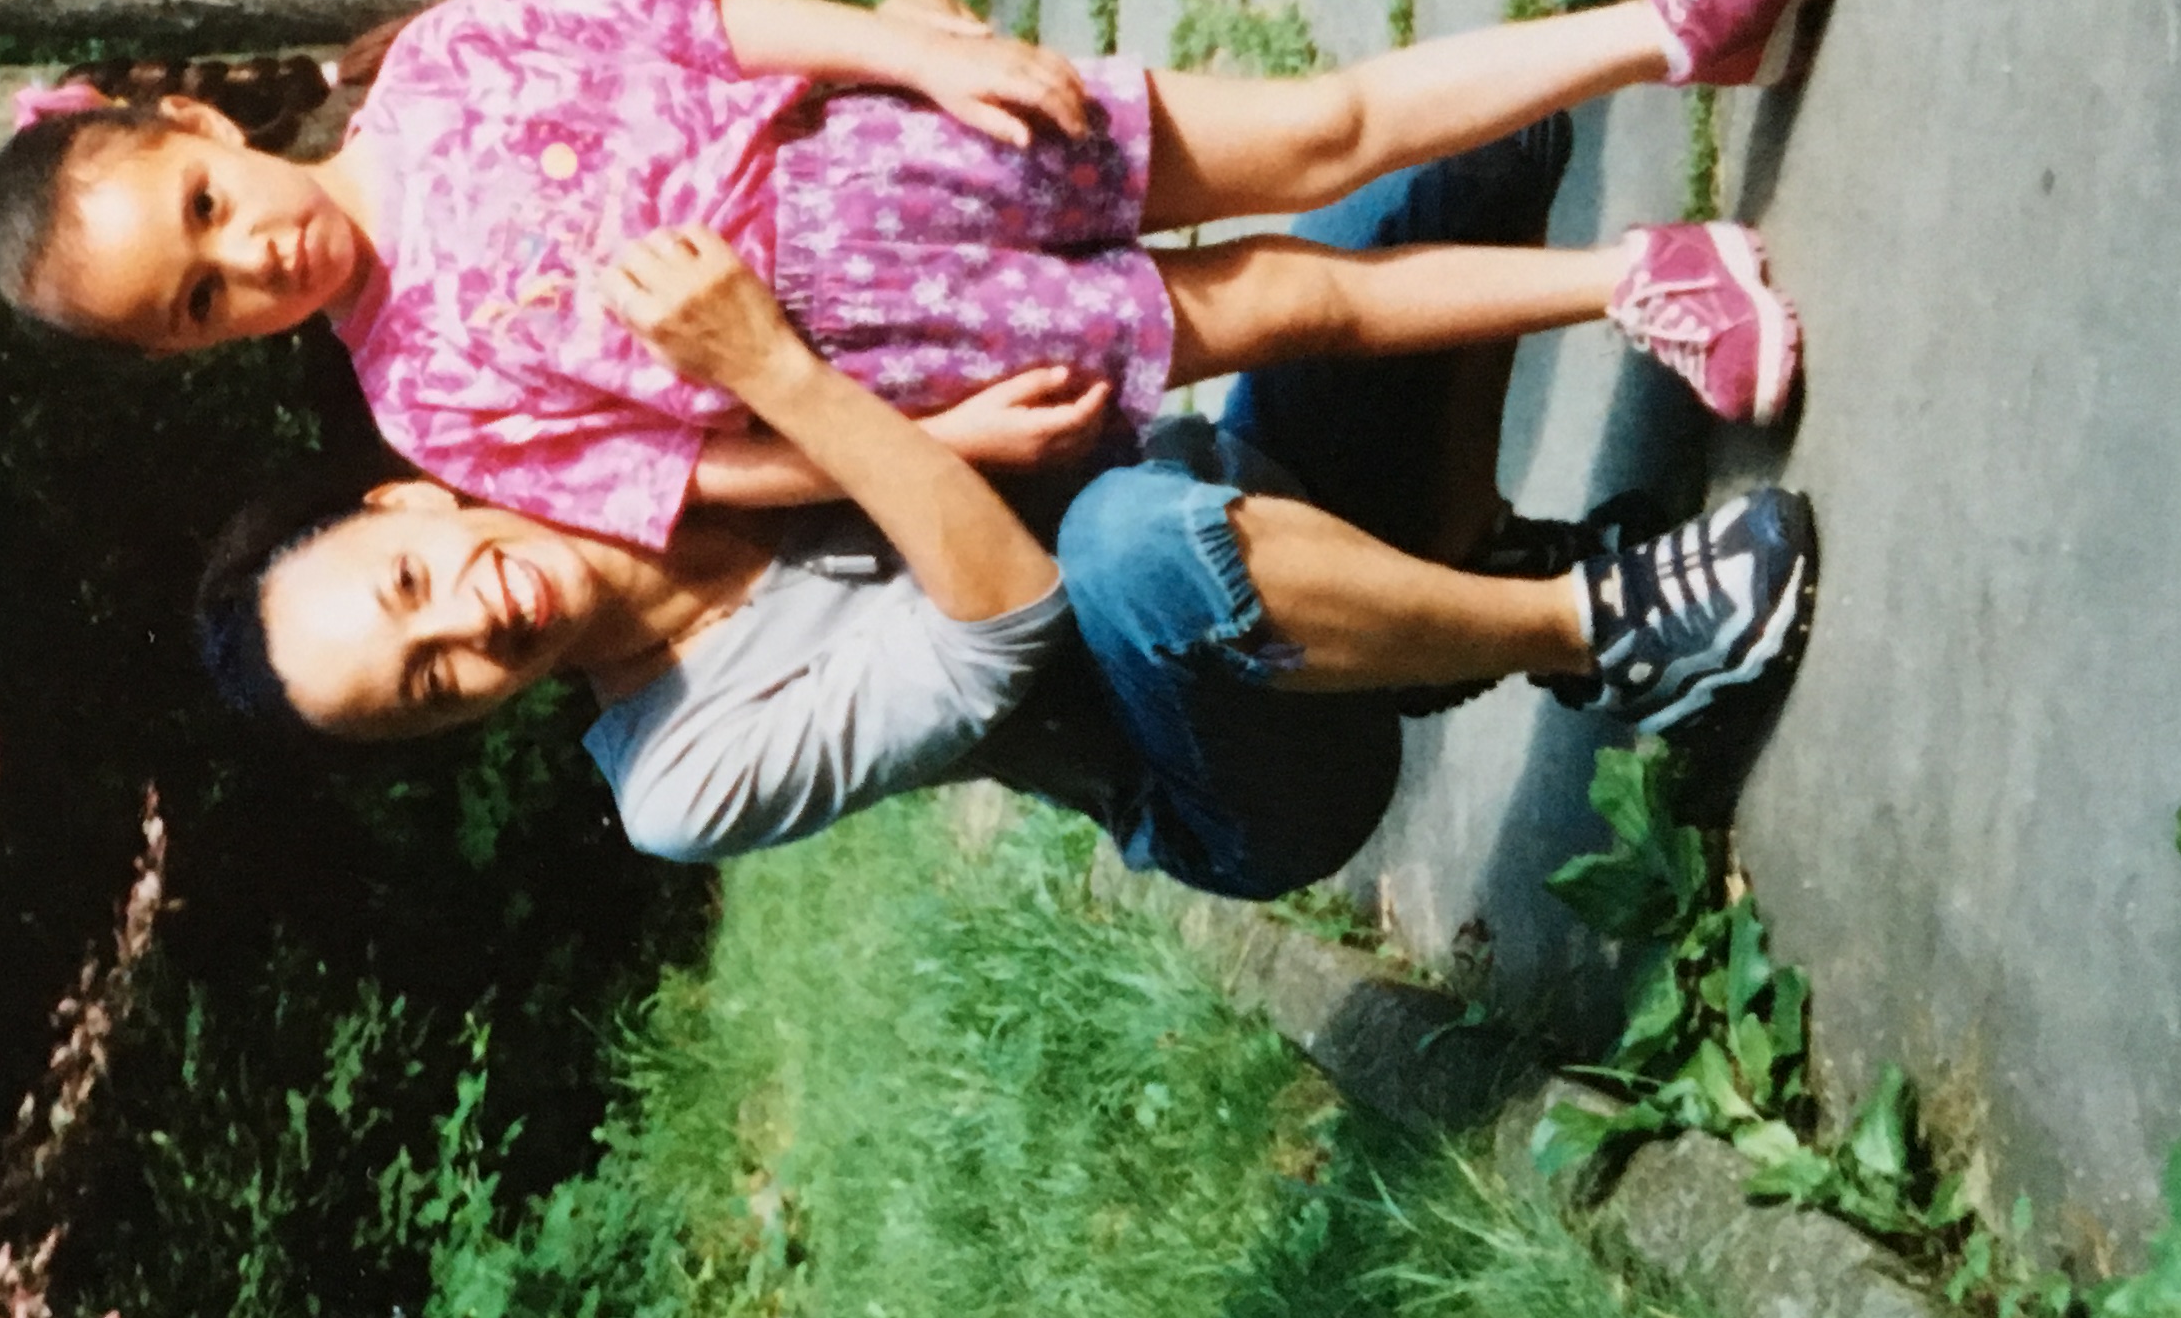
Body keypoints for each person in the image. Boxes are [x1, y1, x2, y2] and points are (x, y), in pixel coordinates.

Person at [0, 0, 1845, 554]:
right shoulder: (426, 406)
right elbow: (697, 471)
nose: (251, 258)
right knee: (1295, 306)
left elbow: (707, 20)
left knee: (1318, 130)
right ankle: (1640, 280)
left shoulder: (441, 65)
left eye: (204, 209)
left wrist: (916, 51)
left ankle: (1670, 29)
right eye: (202, 302)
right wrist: (932, 446)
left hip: (898, 146)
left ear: (195, 123)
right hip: (904, 347)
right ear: (197, 355)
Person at [191, 122, 1819, 890]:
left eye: (408, 589)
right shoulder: (679, 779)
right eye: (430, 687)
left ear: (410, 495)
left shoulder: (608, 413)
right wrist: (777, 373)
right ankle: (1597, 629)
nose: (469, 628)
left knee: (1451, 172)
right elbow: (1009, 615)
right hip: (1232, 771)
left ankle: (1441, 581)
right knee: (1121, 547)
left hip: (1247, 499)